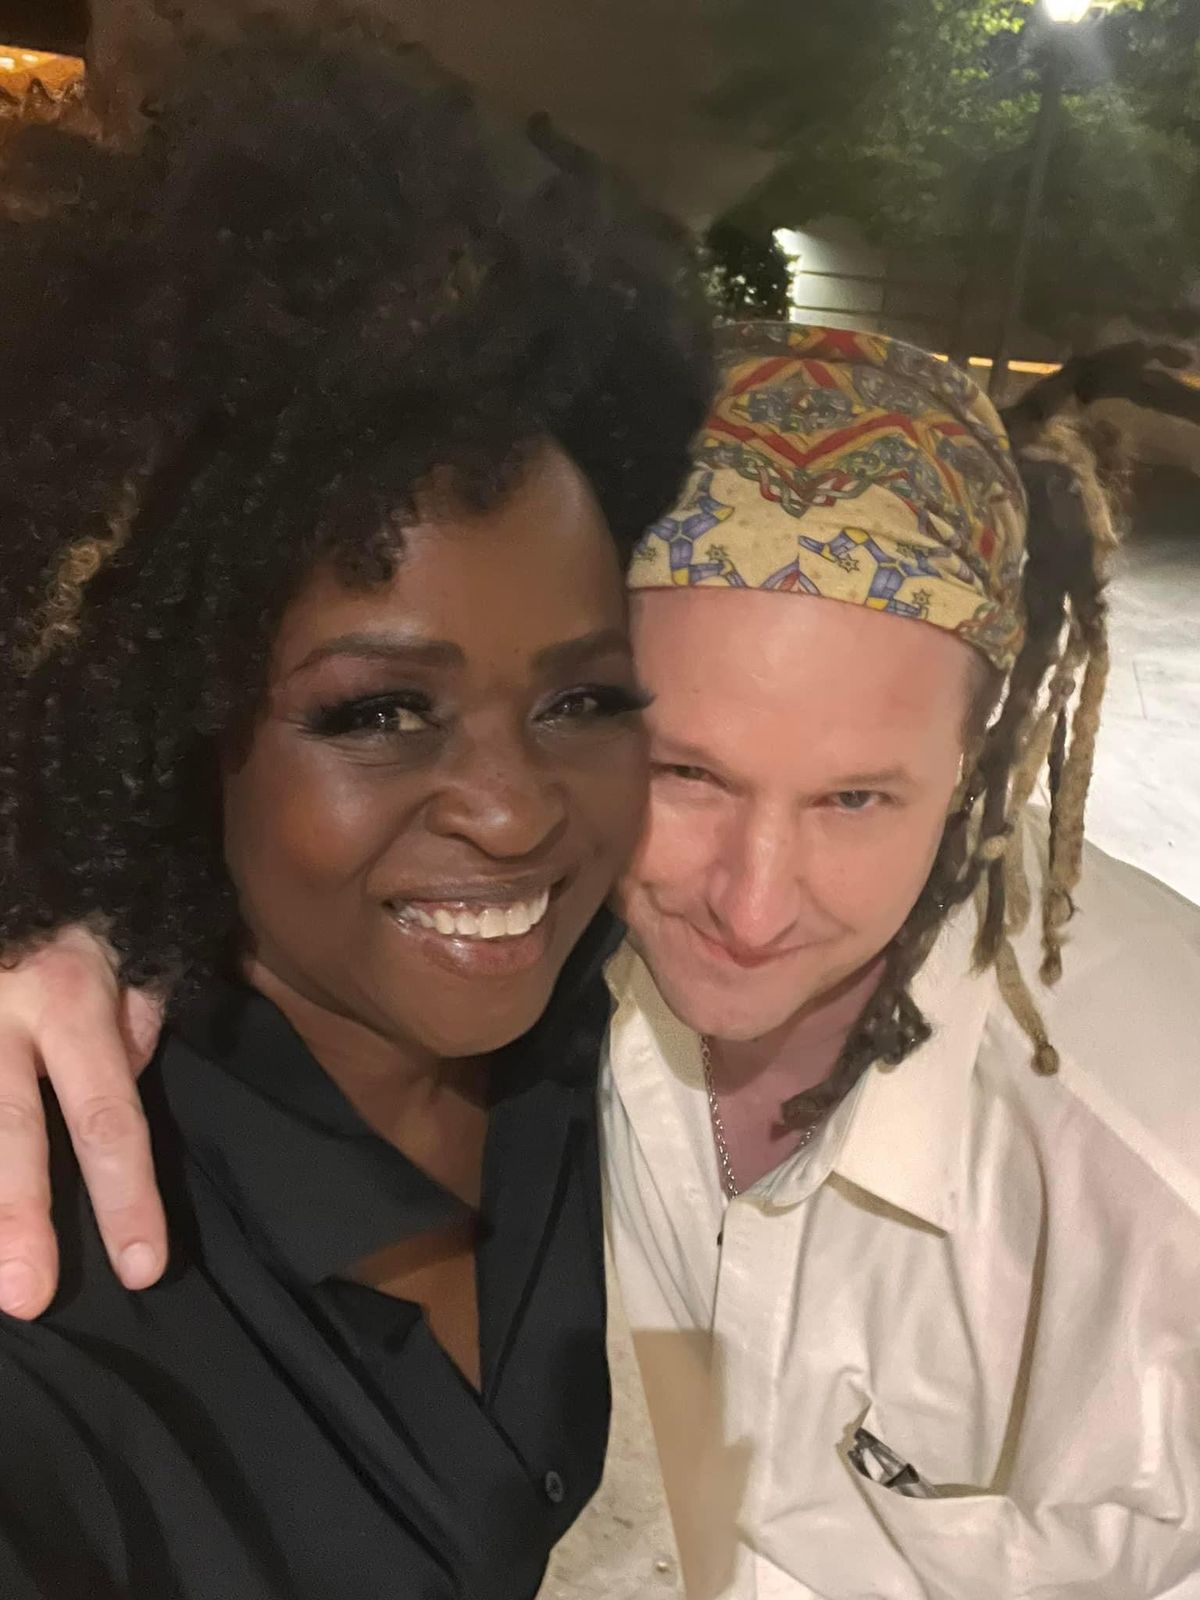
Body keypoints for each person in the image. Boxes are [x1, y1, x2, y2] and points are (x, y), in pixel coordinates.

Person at [4, 321, 1200, 1599]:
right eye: (688, 772)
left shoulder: (1154, 1175)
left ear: (976, 762)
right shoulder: (553, 951)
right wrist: (70, 904)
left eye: (856, 798)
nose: (752, 904)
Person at [0, 22, 711, 1600]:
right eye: (379, 712)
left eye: (581, 699)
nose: (515, 814)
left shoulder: (622, 1032)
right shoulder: (54, 1274)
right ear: (167, 721)